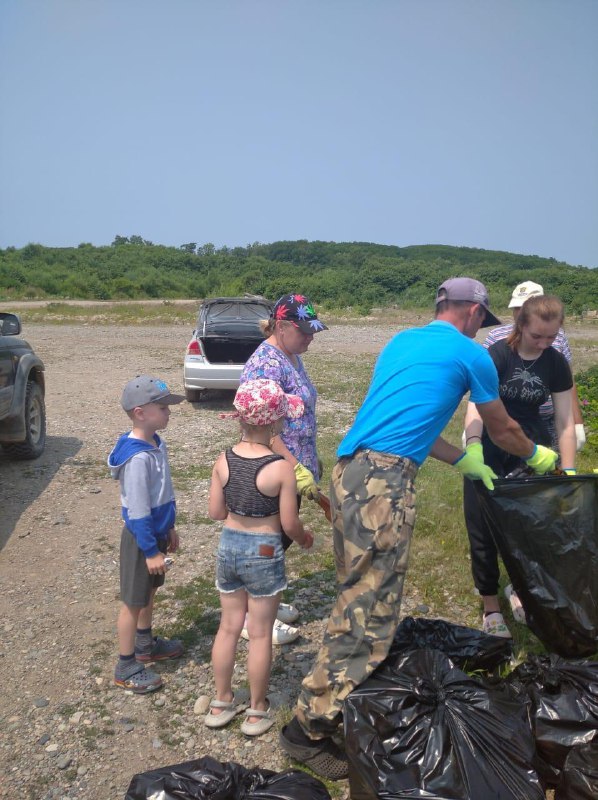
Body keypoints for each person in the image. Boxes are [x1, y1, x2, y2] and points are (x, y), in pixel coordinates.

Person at [279, 277, 558, 780]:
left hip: (350, 469)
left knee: (354, 595)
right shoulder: (471, 354)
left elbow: (412, 425)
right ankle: (310, 727)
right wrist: (538, 453)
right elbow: (504, 429)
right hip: (383, 484)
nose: (482, 328)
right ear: (473, 312)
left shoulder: (403, 341)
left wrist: (461, 461)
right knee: (369, 610)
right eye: (483, 320)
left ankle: (339, 692)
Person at [463, 294, 577, 637]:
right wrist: (472, 449)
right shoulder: (497, 356)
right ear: (521, 326)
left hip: (532, 448)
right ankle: (490, 606)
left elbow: (565, 421)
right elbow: (475, 407)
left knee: (527, 528)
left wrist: (567, 473)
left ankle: (519, 588)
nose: (543, 344)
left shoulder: (555, 363)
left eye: (551, 337)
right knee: (482, 528)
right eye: (536, 336)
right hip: (491, 446)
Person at [205, 379, 314, 736]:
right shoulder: (281, 468)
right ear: (274, 424)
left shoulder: (223, 459)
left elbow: (215, 512)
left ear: (240, 420)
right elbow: (288, 523)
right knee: (261, 634)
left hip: (229, 547)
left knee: (229, 627)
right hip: (265, 550)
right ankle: (256, 709)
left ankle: (221, 701)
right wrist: (305, 538)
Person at [240, 293, 327, 643]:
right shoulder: (265, 364)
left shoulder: (290, 356)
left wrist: (309, 459)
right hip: (274, 469)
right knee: (268, 540)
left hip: (293, 465)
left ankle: (267, 602)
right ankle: (252, 615)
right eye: (304, 331)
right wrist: (295, 469)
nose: (310, 338)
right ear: (282, 326)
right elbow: (263, 427)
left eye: (313, 331)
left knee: (278, 543)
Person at [108, 375, 185, 693]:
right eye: (163, 407)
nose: (169, 412)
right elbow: (138, 510)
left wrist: (168, 528)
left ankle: (145, 644)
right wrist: (151, 550)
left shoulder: (156, 443)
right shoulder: (138, 458)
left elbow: (160, 494)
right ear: (140, 413)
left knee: (149, 593)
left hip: (156, 534)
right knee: (133, 601)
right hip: (142, 540)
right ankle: (126, 664)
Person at [484, 281, 585, 451]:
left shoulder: (558, 339)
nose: (543, 344)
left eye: (524, 307)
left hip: (545, 419)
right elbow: (482, 384)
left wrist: (577, 422)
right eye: (517, 308)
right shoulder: (496, 338)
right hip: (502, 420)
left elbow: (567, 382)